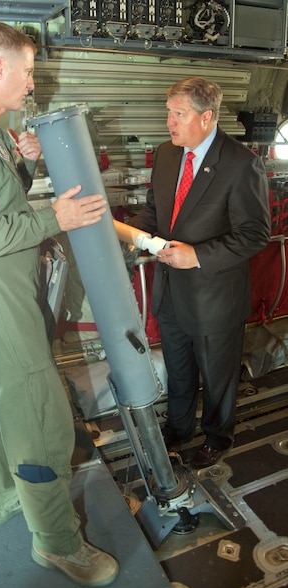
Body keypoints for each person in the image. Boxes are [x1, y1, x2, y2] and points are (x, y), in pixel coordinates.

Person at [0, 21, 119, 587]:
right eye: (28, 70)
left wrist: (24, 164)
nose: (33, 82)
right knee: (37, 411)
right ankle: (56, 543)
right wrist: (54, 217)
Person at [130, 77, 271, 469]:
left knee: (217, 375)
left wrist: (198, 256)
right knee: (178, 369)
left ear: (207, 117)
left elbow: (256, 233)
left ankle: (217, 435)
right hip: (172, 291)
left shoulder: (241, 164)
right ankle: (178, 429)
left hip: (214, 297)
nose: (170, 122)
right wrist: (135, 233)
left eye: (179, 114)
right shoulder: (166, 154)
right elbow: (157, 213)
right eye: (168, 113)